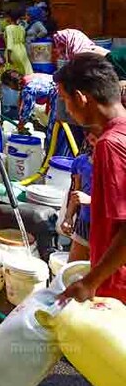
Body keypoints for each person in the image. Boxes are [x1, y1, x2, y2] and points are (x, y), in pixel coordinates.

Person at [58, 54, 126, 309]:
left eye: (66, 100)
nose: (67, 109)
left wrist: (90, 282)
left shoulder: (110, 145)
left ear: (81, 98)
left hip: (116, 285)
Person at [61, 133, 97, 262]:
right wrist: (68, 217)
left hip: (106, 227)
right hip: (84, 224)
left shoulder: (117, 164)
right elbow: (76, 192)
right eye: (89, 132)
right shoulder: (80, 162)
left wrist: (91, 200)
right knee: (73, 267)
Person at [1, 8, 33, 76]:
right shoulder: (22, 28)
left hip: (13, 52)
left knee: (12, 72)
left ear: (9, 17)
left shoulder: (8, 28)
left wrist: (8, 58)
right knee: (24, 70)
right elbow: (23, 40)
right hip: (22, 50)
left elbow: (10, 43)